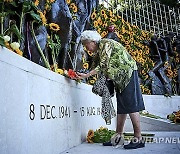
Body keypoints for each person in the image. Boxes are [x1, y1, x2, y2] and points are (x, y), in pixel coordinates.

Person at [75, 30, 145, 149]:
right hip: (119, 77)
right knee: (122, 107)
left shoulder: (105, 43)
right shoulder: (99, 50)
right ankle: (118, 137)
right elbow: (95, 65)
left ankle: (138, 138)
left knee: (131, 105)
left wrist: (87, 75)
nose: (87, 49)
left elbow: (103, 65)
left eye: (87, 45)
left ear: (92, 41)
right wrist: (83, 74)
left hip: (126, 73)